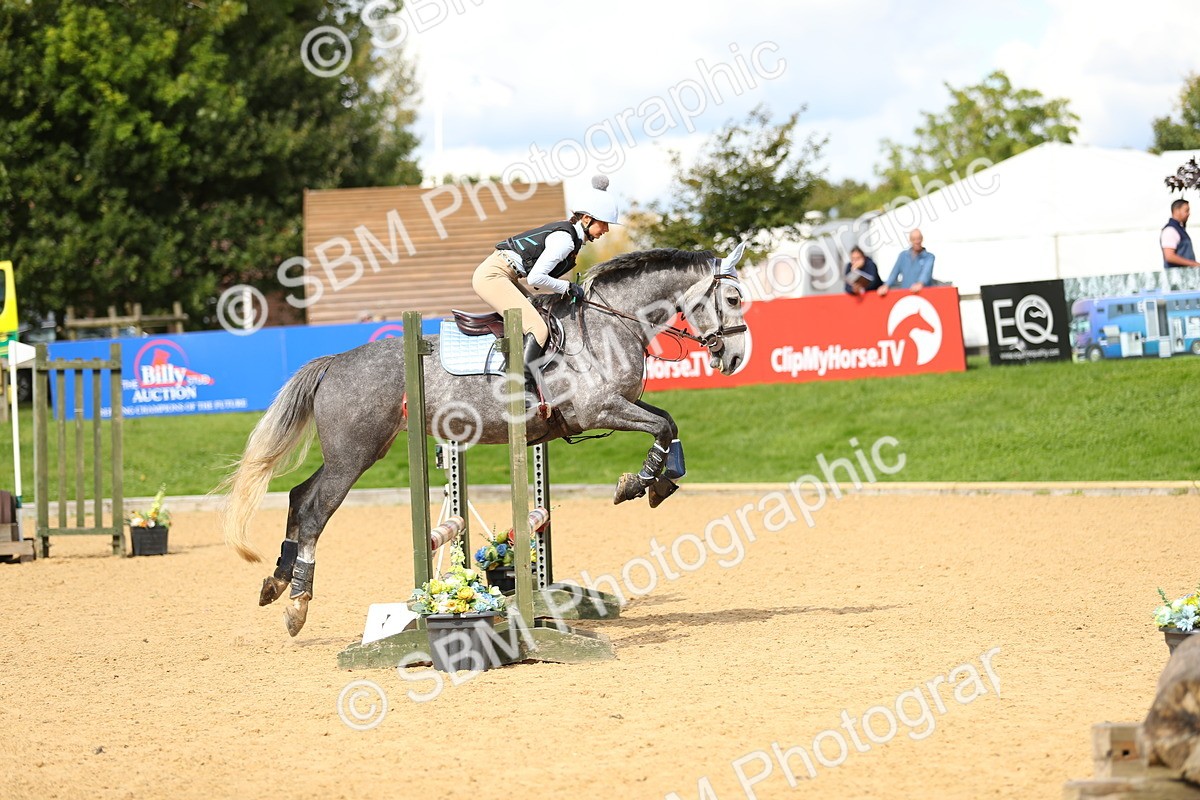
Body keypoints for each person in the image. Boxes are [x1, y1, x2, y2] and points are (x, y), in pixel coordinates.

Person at [472, 174, 619, 399]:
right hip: (493, 276)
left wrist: (566, 288)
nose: (606, 230)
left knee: (540, 313)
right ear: (587, 219)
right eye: (604, 223)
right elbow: (536, 278)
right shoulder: (565, 240)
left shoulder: (571, 238)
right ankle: (520, 391)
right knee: (538, 329)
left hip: (506, 275)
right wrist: (567, 287)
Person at [878, 228, 935, 296]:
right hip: (906, 294)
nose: (917, 241)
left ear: (922, 239)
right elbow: (894, 273)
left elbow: (926, 272)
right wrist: (886, 286)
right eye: (914, 239)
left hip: (923, 295)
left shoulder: (929, 257)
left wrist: (920, 283)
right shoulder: (903, 256)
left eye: (918, 238)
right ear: (910, 240)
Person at [1161, 199, 1199, 269]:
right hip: (1176, 274)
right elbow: (1169, 257)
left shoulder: (1179, 230)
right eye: (1186, 211)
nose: (1189, 214)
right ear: (1177, 211)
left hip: (1185, 274)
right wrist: (1194, 264)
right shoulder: (1170, 230)